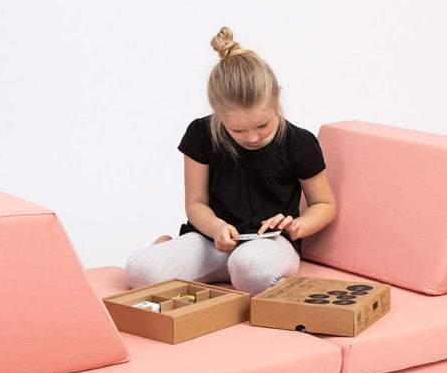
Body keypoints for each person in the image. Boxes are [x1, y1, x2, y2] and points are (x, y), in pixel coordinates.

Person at [125, 27, 337, 295]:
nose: (253, 137)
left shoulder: (300, 142)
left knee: (251, 269)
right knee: (139, 270)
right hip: (210, 241)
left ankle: (225, 273)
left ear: (277, 96)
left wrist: (297, 226)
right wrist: (216, 228)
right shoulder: (200, 135)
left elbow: (324, 204)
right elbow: (196, 203)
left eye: (262, 125)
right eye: (237, 130)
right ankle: (172, 251)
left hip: (269, 244)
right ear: (217, 112)